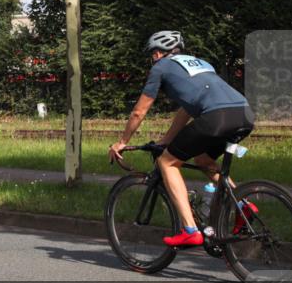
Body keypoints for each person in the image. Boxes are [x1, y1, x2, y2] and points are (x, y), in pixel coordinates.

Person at [109, 31, 255, 246]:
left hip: (216, 117)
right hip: (244, 114)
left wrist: (122, 141)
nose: (152, 58)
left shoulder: (160, 67)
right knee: (203, 159)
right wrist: (167, 139)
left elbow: (140, 111)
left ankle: (190, 229)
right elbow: (185, 110)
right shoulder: (201, 63)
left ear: (158, 53)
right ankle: (243, 205)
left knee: (166, 162)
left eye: (152, 54)